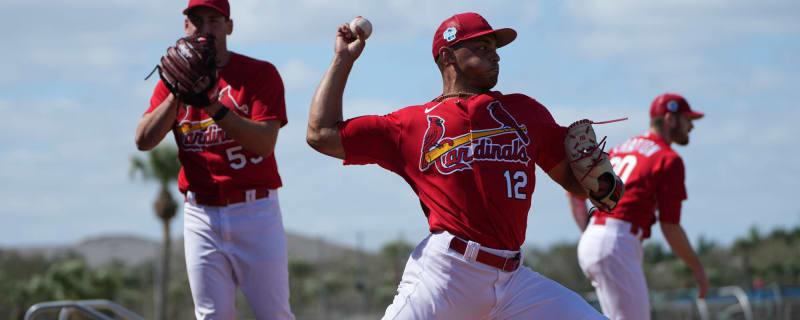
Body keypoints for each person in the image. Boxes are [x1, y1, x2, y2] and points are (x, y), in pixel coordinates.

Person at [307, 12, 615, 319]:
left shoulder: (526, 112)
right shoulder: (411, 124)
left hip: (514, 281)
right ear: (447, 56)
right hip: (448, 275)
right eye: (482, 47)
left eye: (495, 48)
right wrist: (342, 59)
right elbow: (321, 134)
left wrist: (603, 185)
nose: (495, 55)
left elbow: (578, 184)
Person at [134, 0, 294, 318]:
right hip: (201, 214)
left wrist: (212, 105)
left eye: (214, 21)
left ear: (229, 27)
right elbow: (143, 140)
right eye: (196, 20)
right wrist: (177, 94)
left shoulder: (258, 74)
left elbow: (263, 143)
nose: (204, 29)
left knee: (273, 314)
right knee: (211, 316)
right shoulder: (171, 82)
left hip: (255, 211)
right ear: (186, 27)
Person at [567, 93, 709, 320]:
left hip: (595, 240)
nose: (691, 125)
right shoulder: (667, 159)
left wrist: (590, 231)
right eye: (687, 119)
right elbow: (670, 226)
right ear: (670, 119)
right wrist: (698, 268)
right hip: (617, 243)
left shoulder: (620, 148)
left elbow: (574, 193)